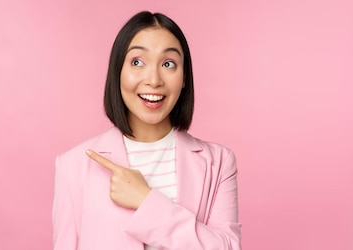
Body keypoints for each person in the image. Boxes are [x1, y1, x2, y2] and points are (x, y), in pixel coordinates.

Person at [52, 11, 241, 249]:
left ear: (184, 77)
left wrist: (146, 202)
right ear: (117, 71)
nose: (153, 79)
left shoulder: (219, 162)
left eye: (168, 64)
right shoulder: (72, 166)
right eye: (137, 62)